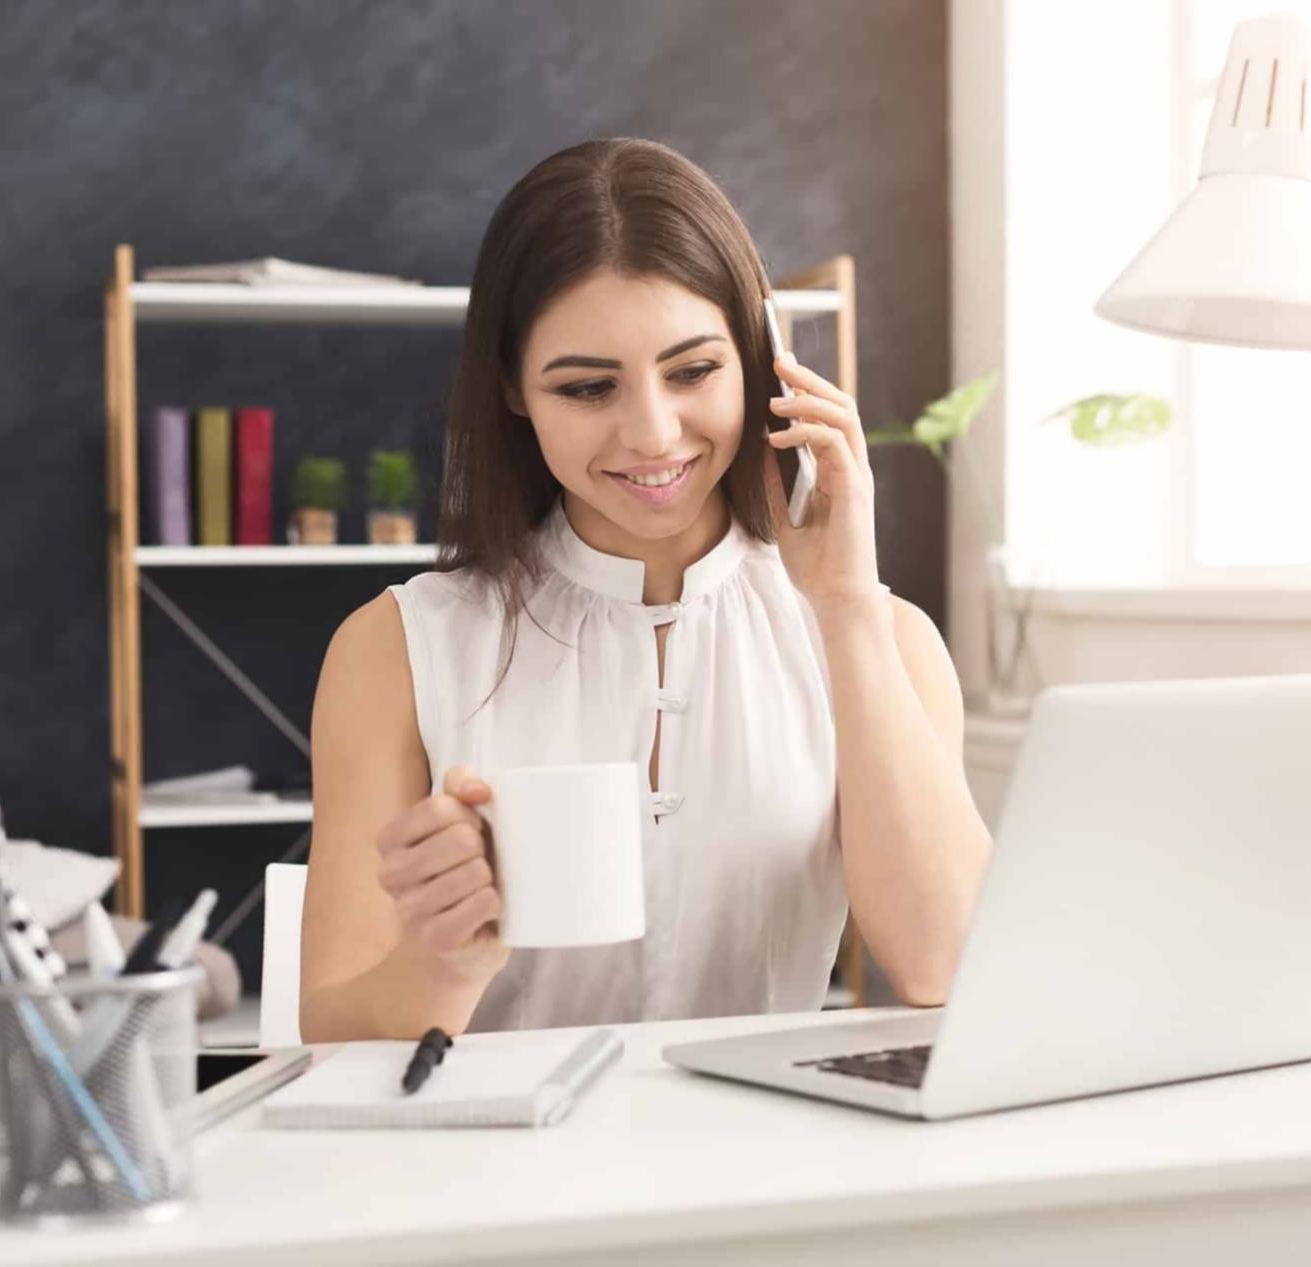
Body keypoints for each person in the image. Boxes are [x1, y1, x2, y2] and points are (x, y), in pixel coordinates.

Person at [300, 137, 991, 1041]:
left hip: (761, 1159)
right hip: (490, 1170)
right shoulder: (396, 646)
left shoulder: (883, 638)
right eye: (588, 387)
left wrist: (848, 607)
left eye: (694, 371)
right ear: (511, 388)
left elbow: (945, 963)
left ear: (761, 363)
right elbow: (324, 1029)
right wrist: (441, 961)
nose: (653, 434)